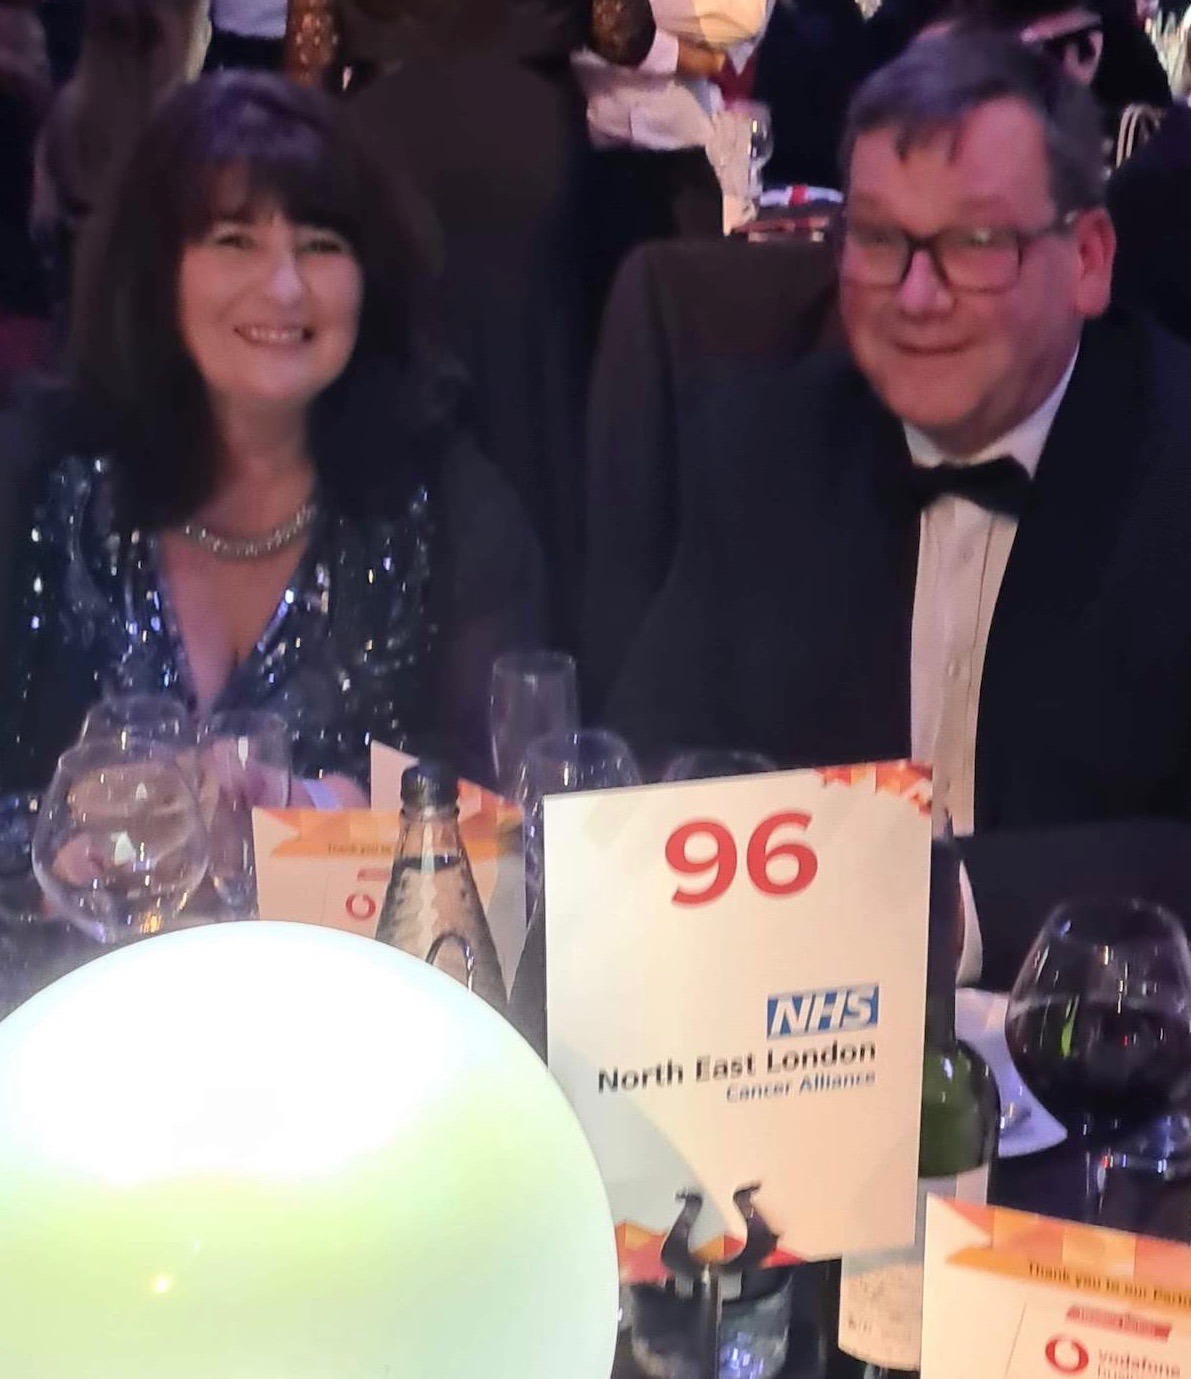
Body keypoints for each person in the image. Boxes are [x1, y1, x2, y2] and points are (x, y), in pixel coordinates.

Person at [601, 30, 1191, 833]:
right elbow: (648, 770)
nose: (914, 297)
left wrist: (956, 906)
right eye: (880, 240)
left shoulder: (1171, 468)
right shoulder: (764, 450)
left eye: (976, 242)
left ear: (1086, 259)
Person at [0, 72, 542, 802]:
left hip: (361, 920)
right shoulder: (40, 484)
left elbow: (514, 816)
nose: (285, 287)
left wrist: (317, 816)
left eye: (320, 245)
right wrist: (51, 849)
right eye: (235, 240)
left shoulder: (451, 504)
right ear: (159, 274)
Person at [31, 0, 207, 334]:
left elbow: (40, 222)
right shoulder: (186, 132)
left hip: (73, 324)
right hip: (149, 330)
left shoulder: (62, 115)